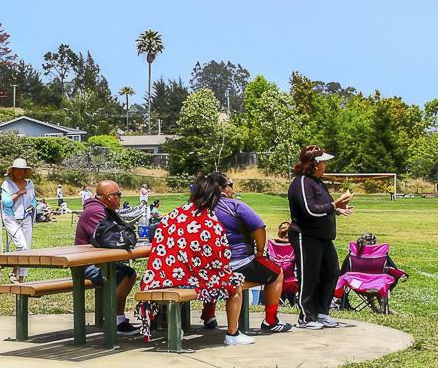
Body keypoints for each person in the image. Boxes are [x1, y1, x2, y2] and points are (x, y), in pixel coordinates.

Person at [141, 173, 253, 346]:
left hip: (160, 276)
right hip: (188, 279)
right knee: (234, 282)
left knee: (213, 277)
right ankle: (233, 333)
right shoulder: (208, 221)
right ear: (213, 197)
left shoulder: (173, 215)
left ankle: (174, 324)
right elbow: (220, 258)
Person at [211, 174, 290, 333]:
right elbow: (259, 227)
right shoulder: (234, 205)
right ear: (222, 188)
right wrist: (260, 251)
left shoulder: (201, 208)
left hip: (209, 267)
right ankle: (270, 321)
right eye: (230, 184)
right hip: (238, 262)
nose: (232, 188)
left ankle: (208, 316)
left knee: (214, 274)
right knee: (276, 273)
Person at [287, 145, 353, 329]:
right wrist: (333, 205)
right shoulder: (301, 182)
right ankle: (306, 317)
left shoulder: (318, 182)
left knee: (331, 273)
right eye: (323, 161)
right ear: (315, 164)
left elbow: (322, 206)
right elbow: (310, 210)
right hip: (306, 236)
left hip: (322, 237)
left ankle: (322, 313)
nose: (326, 165)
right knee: (309, 277)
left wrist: (337, 209)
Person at [74, 180, 137, 334]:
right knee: (123, 276)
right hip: (86, 264)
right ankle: (114, 321)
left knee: (129, 274)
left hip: (100, 261)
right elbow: (110, 238)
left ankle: (118, 318)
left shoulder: (105, 209)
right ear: (108, 196)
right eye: (118, 195)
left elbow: (121, 232)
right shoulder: (96, 211)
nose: (120, 198)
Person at [0, 157, 36, 282]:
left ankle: (21, 278)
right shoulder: (6, 184)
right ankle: (14, 270)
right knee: (22, 246)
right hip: (11, 218)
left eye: (22, 170)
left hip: (26, 218)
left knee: (27, 249)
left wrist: (32, 206)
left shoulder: (30, 184)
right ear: (13, 171)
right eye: (17, 170)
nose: (20, 172)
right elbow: (7, 202)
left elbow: (33, 200)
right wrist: (20, 192)